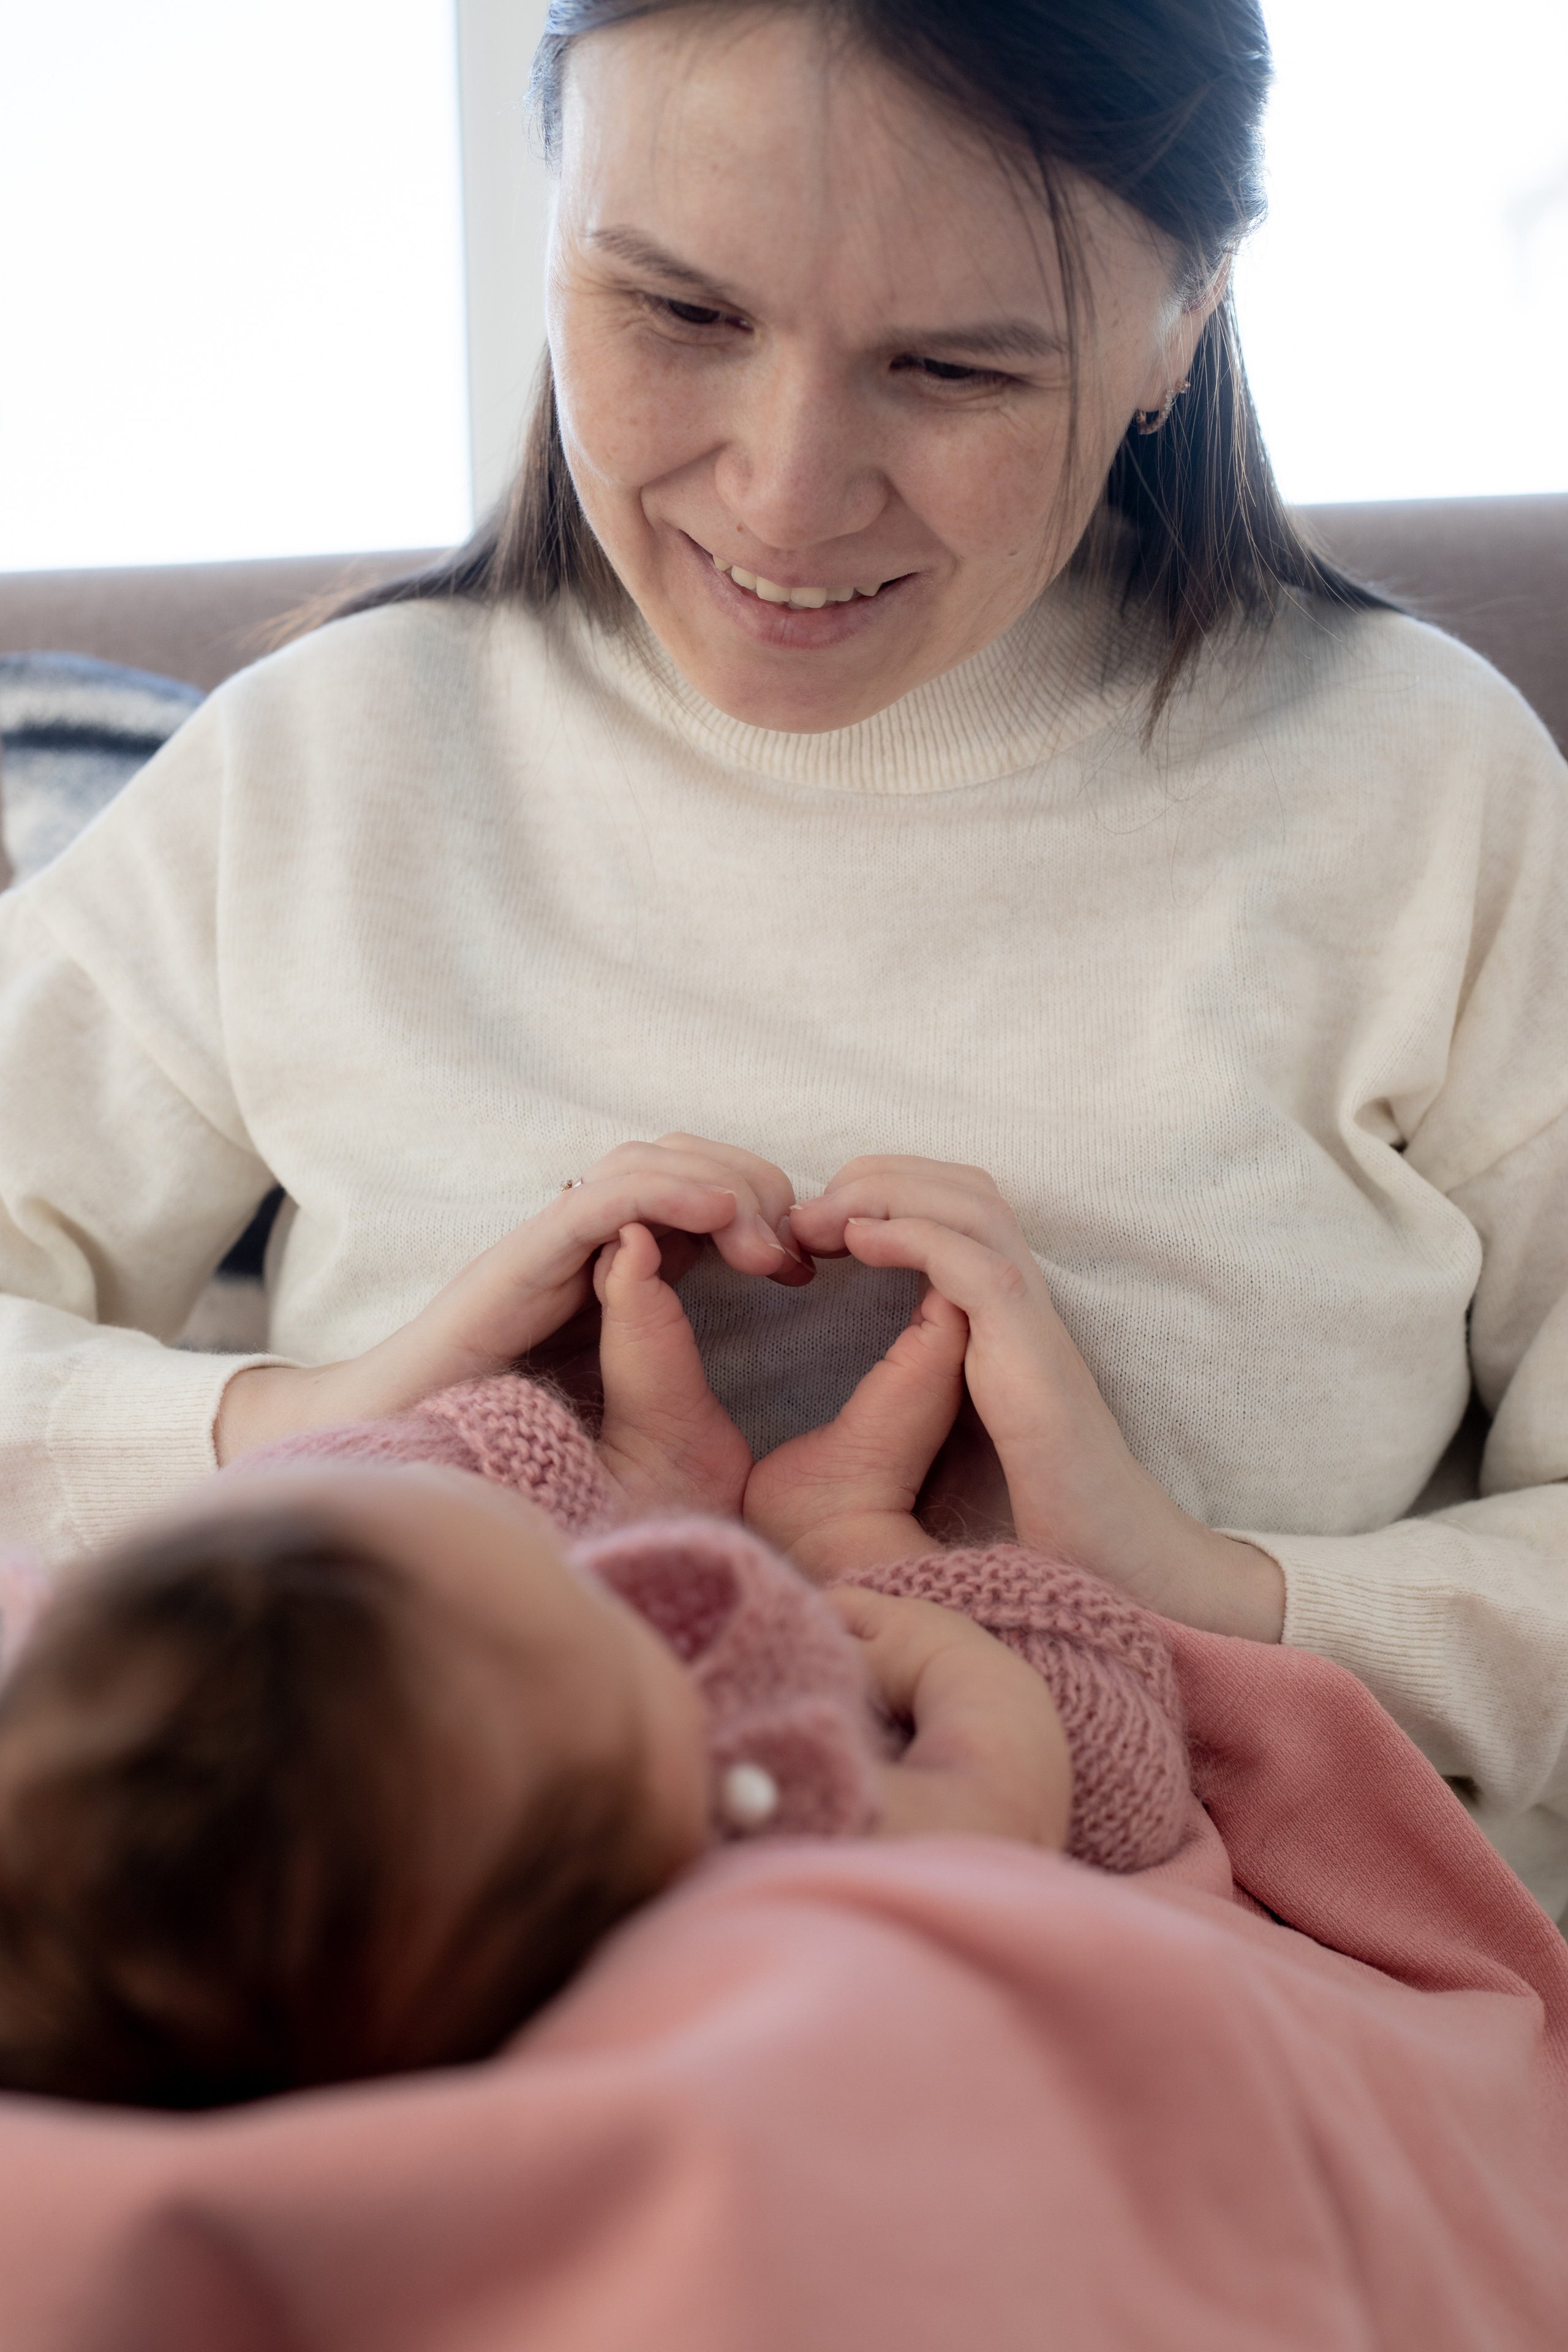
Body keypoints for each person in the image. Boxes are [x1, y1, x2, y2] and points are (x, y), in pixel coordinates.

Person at [0, 0, 1564, 1910]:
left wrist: (1211, 1599)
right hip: (426, 1987)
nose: (785, 492)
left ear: (1182, 319)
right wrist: (327, 1437)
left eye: (953, 368)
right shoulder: (327, 768)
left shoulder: (1426, 793)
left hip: (1206, 2035)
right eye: (675, 314)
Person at [0, 1210, 1190, 2108]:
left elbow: (312, 1541)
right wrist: (867, 1563)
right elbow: (1084, 1769)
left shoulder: (504, 1812)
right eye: (597, 1589)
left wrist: (619, 1486)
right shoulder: (768, 1847)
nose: (632, 1581)